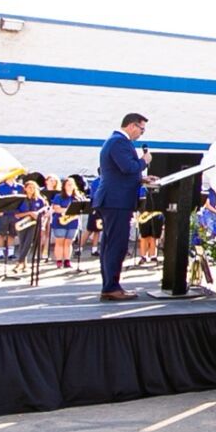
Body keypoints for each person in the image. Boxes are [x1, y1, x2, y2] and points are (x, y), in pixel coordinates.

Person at [93, 112, 150, 301]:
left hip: (113, 200)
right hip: (116, 201)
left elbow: (121, 172)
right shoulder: (119, 142)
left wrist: (141, 179)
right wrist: (144, 161)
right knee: (116, 245)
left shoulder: (115, 141)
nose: (141, 134)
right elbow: (128, 167)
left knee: (110, 245)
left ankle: (110, 285)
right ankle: (111, 287)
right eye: (142, 129)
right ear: (132, 125)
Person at [12, 174, 48, 273]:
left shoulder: (40, 200)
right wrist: (30, 213)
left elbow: (44, 211)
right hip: (22, 223)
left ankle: (19, 263)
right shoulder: (21, 200)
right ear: (25, 188)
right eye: (29, 187)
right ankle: (24, 265)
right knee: (22, 243)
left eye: (33, 187)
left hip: (34, 224)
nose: (31, 189)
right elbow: (17, 214)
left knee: (28, 243)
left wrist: (40, 216)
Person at [51, 174, 85, 268]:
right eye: (68, 184)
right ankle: (59, 261)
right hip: (60, 221)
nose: (70, 186)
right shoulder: (59, 196)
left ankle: (67, 261)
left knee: (69, 242)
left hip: (73, 222)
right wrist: (69, 210)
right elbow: (56, 208)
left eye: (72, 184)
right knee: (60, 242)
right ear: (64, 186)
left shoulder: (78, 197)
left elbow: (82, 208)